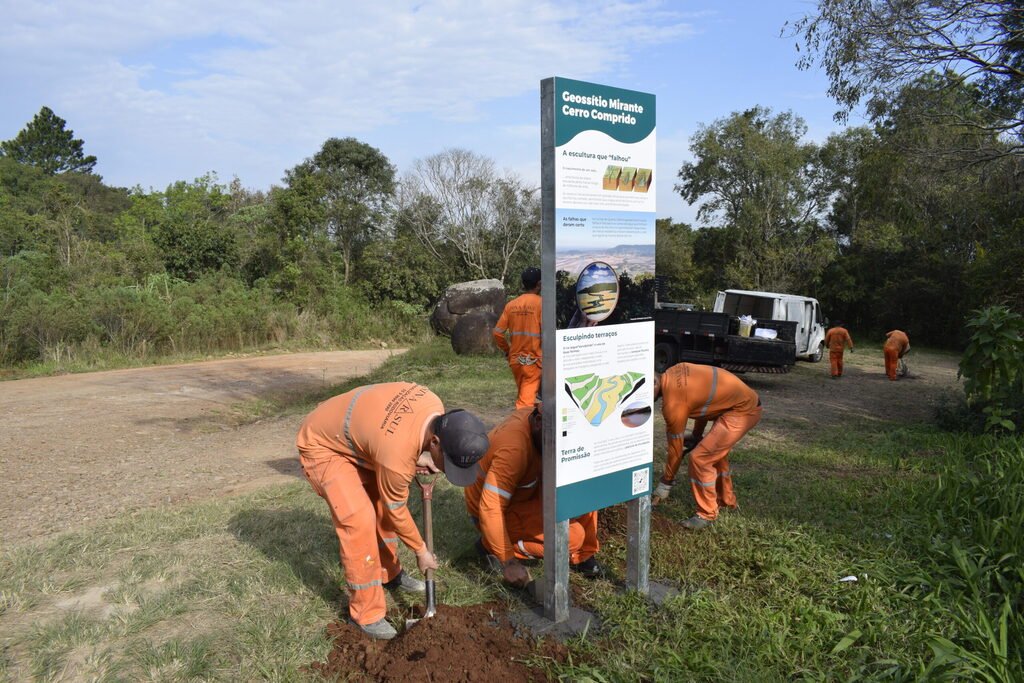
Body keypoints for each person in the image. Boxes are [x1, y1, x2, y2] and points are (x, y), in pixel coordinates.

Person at [296, 383, 489, 640]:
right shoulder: (396, 456)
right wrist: (421, 551)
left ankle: (389, 572)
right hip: (324, 445)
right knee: (359, 519)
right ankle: (365, 614)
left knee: (380, 506)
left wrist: (416, 455)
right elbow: (396, 508)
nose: (446, 470)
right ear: (435, 442)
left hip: (362, 436)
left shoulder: (433, 405)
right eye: (449, 463)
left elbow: (396, 436)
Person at [464, 403, 600, 586]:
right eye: (559, 434)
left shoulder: (537, 420)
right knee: (572, 537)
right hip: (493, 514)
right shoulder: (514, 449)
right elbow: (490, 509)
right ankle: (490, 546)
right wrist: (509, 562)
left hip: (525, 494)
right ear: (538, 421)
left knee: (582, 493)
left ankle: (583, 556)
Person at [652, 363, 762, 530]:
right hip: (743, 402)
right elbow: (704, 404)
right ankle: (726, 500)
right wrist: (696, 435)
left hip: (743, 411)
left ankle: (706, 514)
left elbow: (675, 449)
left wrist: (666, 482)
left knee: (701, 458)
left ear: (654, 382)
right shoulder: (676, 370)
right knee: (713, 453)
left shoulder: (672, 404)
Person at [493, 267, 542, 409]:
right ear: (539, 284)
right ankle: (521, 422)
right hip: (534, 361)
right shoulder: (542, 304)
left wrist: (508, 350)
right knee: (524, 404)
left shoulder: (511, 305)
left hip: (516, 360)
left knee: (524, 396)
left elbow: (497, 333)